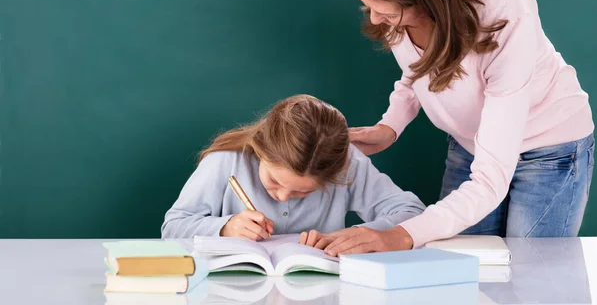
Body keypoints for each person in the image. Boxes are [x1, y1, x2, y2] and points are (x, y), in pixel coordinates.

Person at [310, 0, 594, 257]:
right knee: (464, 269)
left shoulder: (507, 10)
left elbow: (489, 182)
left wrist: (398, 236)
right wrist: (391, 126)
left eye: (386, 12)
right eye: (367, 5)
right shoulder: (396, 2)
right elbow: (417, 68)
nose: (376, 19)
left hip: (548, 151)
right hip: (469, 143)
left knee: (530, 272)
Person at [161, 94, 425, 241]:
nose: (282, 196)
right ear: (261, 148)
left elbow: (413, 212)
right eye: (274, 181)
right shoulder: (226, 160)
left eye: (302, 192)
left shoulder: (349, 163)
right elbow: (172, 227)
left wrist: (358, 235)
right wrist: (225, 227)